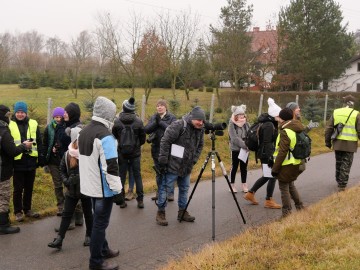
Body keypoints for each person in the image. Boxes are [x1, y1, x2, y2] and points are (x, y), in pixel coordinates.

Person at [78, 96, 122, 270]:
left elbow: (75, 153)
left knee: (97, 221)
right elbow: (111, 168)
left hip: (89, 186)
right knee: (100, 224)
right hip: (103, 189)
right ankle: (96, 262)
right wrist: (118, 191)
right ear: (109, 114)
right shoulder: (106, 137)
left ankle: (104, 249)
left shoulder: (84, 131)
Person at [156, 106, 205, 226]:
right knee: (165, 189)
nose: (201, 123)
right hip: (172, 165)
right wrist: (163, 160)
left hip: (187, 166)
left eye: (202, 121)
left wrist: (193, 160)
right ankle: (160, 213)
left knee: (184, 189)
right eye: (199, 120)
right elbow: (165, 141)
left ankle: (182, 213)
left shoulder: (201, 129)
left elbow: (200, 146)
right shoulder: (178, 125)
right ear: (192, 118)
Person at [48, 127, 93, 250]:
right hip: (71, 190)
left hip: (86, 190)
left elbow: (94, 171)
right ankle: (59, 239)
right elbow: (62, 170)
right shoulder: (68, 154)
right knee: (66, 214)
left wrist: (83, 178)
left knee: (88, 214)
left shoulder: (88, 153)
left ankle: (89, 235)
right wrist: (67, 181)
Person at [9, 101, 44, 222]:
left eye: (22, 112)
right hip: (17, 161)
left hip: (31, 160)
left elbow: (39, 141)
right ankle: (18, 212)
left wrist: (41, 156)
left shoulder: (33, 123)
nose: (20, 114)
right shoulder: (10, 124)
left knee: (29, 187)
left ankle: (27, 209)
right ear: (15, 113)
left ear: (26, 112)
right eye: (18, 112)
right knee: (18, 188)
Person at [243, 98, 281, 209]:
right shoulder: (269, 125)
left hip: (264, 153)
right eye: (279, 115)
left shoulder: (269, 123)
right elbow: (267, 142)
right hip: (266, 154)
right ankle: (268, 200)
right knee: (272, 176)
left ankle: (250, 194)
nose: (280, 117)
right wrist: (270, 157)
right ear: (274, 115)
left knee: (267, 176)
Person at [0, 105, 33, 234]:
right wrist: (24, 146)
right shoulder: (3, 131)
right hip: (3, 171)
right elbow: (13, 151)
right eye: (8, 115)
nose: (10, 117)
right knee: (3, 197)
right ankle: (3, 225)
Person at [112, 97, 146, 209]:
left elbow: (115, 136)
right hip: (135, 154)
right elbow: (142, 139)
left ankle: (122, 201)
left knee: (121, 176)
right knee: (138, 175)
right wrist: (135, 146)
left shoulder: (116, 122)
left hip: (122, 153)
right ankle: (140, 200)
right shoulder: (139, 121)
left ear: (124, 108)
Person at [271, 108, 305, 218]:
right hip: (296, 162)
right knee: (291, 185)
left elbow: (282, 151)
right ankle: (300, 207)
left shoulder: (285, 131)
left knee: (284, 188)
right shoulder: (297, 127)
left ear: (281, 118)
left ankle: (286, 212)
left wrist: (275, 168)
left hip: (286, 164)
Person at [325, 95, 360, 191]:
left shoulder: (336, 112)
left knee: (339, 162)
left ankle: (338, 180)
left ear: (344, 103)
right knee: (346, 164)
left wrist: (327, 141)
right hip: (350, 144)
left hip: (337, 142)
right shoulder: (356, 114)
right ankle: (342, 185)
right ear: (352, 104)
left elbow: (329, 128)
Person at [144, 99, 177, 201]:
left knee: (169, 171)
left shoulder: (172, 117)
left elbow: (172, 130)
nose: (159, 107)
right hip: (156, 148)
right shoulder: (154, 117)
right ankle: (159, 192)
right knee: (158, 171)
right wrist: (156, 122)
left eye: (161, 105)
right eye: (158, 106)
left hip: (169, 149)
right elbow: (147, 129)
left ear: (165, 107)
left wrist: (160, 122)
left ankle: (170, 193)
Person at [59, 102, 83, 227]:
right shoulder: (72, 126)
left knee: (70, 192)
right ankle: (79, 219)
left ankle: (69, 222)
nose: (64, 114)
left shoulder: (73, 130)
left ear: (72, 113)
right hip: (74, 163)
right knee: (76, 191)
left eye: (66, 112)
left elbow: (73, 148)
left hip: (72, 164)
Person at [43, 107, 66, 216]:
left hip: (64, 160)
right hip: (53, 161)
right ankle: (60, 205)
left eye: (60, 117)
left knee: (66, 183)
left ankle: (68, 205)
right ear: (53, 117)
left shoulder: (66, 128)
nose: (58, 119)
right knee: (57, 184)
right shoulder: (48, 128)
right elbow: (45, 143)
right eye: (56, 117)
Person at [228, 104, 250, 193]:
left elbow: (249, 135)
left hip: (245, 150)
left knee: (244, 167)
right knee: (235, 167)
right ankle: (232, 185)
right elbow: (234, 138)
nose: (242, 116)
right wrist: (245, 145)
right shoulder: (231, 124)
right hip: (236, 149)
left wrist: (249, 144)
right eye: (239, 115)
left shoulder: (246, 124)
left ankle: (244, 184)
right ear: (236, 115)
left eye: (243, 115)